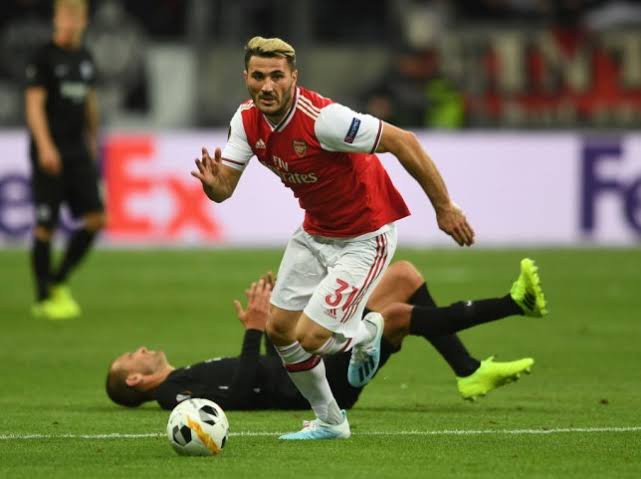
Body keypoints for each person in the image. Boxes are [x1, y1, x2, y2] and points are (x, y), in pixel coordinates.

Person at [191, 36, 475, 440]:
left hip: (365, 236)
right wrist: (212, 185)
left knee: (311, 337)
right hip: (315, 232)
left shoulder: (326, 120)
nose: (267, 86)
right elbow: (224, 189)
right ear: (246, 77)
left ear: (294, 77)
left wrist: (444, 207)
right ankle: (330, 420)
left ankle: (370, 332)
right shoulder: (246, 120)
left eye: (277, 76)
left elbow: (403, 141)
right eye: (258, 76)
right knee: (279, 330)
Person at [106, 258, 547, 414]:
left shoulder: (180, 377)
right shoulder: (172, 395)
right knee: (395, 317)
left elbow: (260, 376)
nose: (139, 349)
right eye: (131, 356)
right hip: (322, 385)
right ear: (135, 380)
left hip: (306, 361)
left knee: (403, 276)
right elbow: (240, 396)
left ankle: (468, 370)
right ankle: (514, 303)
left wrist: (271, 324)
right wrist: (256, 331)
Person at [25, 0, 105, 321]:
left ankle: (58, 280)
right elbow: (34, 105)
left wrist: (94, 138)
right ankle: (43, 297)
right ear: (56, 18)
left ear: (84, 22)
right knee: (46, 224)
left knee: (96, 218)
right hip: (50, 150)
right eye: (65, 16)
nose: (70, 22)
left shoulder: (85, 58)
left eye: (76, 17)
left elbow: (89, 102)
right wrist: (45, 146)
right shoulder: (43, 57)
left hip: (77, 150)